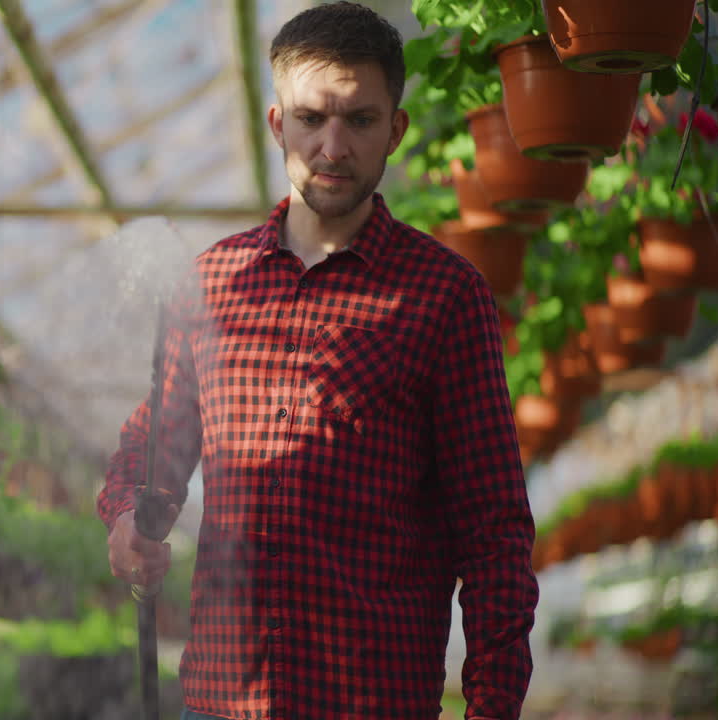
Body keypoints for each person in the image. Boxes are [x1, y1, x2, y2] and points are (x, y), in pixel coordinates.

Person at [97, 3, 539, 719]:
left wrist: (491, 707)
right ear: (279, 124)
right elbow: (153, 448)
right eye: (311, 119)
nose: (332, 147)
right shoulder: (211, 283)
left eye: (359, 120)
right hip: (220, 701)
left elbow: (494, 535)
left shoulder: (444, 299)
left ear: (394, 128)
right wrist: (127, 518)